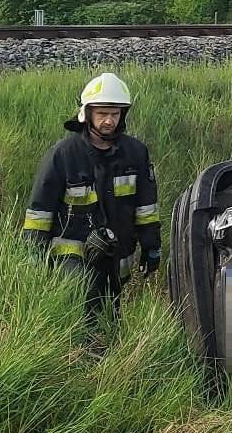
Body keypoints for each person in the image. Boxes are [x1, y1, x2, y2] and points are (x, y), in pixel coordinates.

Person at [21, 72, 161, 324]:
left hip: (117, 256)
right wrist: (34, 251)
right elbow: (40, 210)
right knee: (78, 311)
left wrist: (151, 246)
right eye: (102, 113)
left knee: (111, 315)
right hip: (73, 259)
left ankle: (109, 358)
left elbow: (146, 207)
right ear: (87, 113)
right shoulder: (63, 154)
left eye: (115, 114)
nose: (109, 120)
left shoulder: (135, 154)